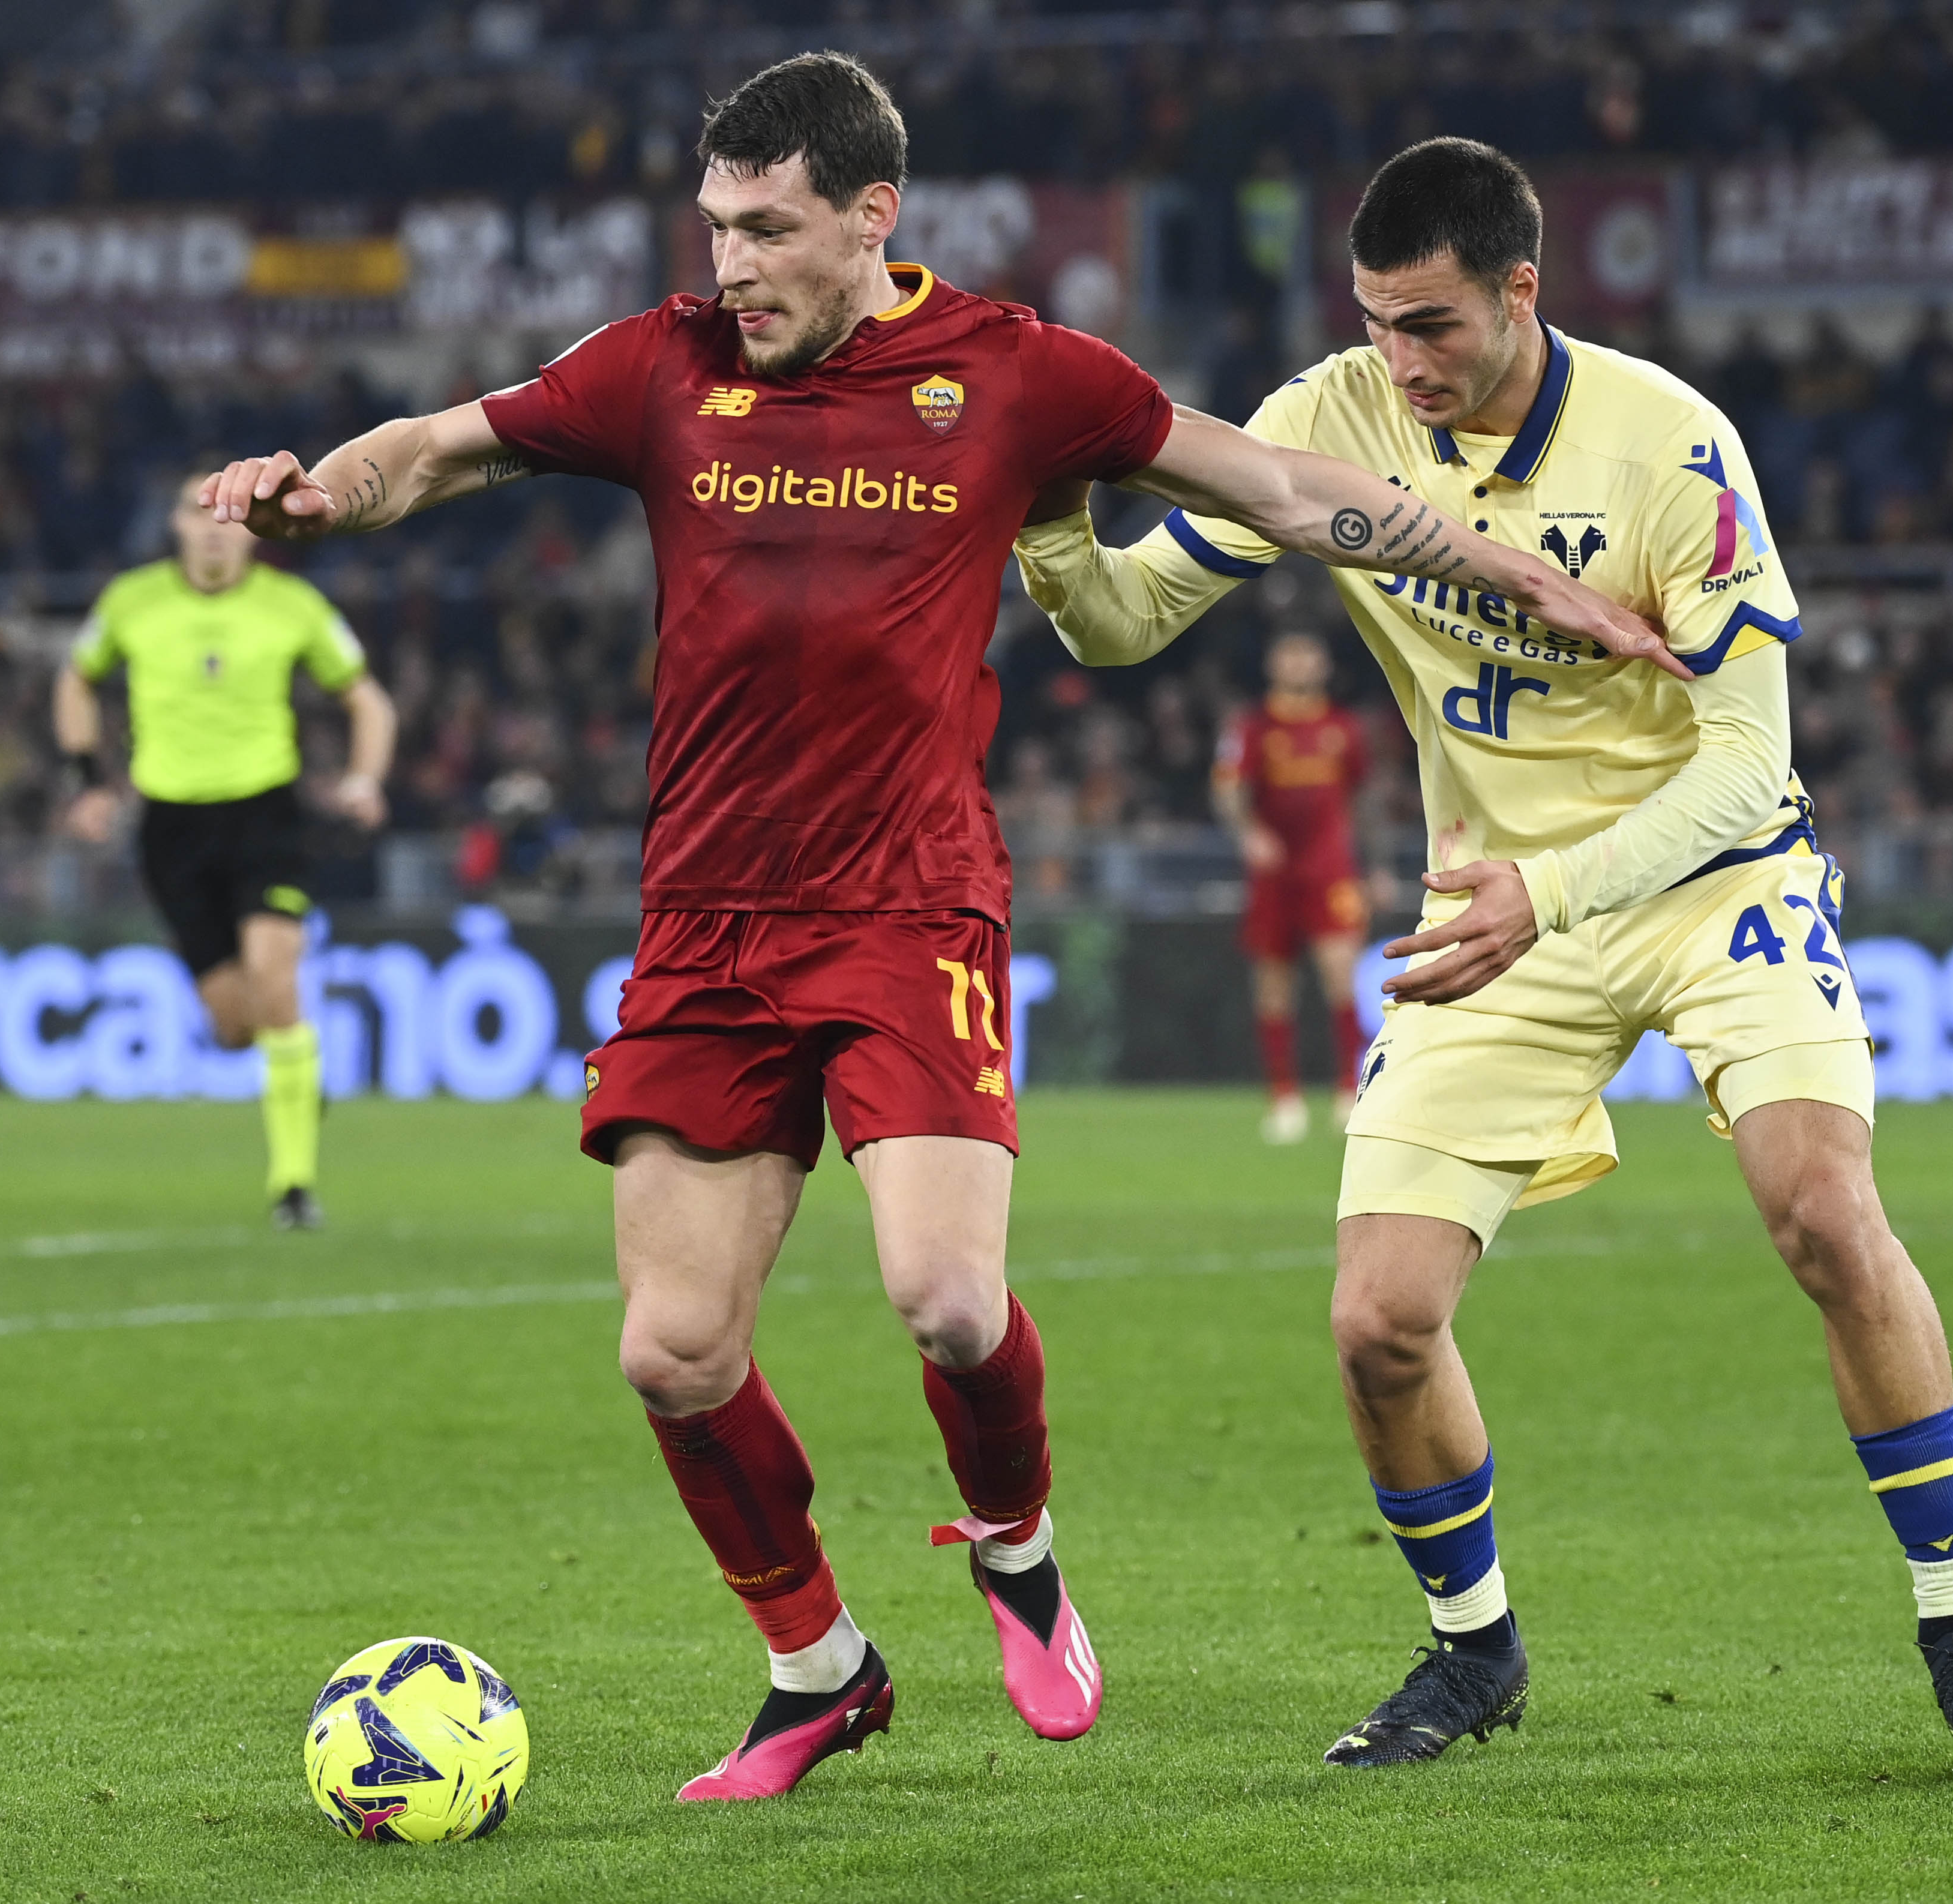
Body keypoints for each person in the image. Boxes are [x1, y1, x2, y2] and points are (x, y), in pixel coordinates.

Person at [202, 59, 1663, 1802]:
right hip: (705, 914)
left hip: (909, 899)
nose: (727, 262)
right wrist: (315, 501)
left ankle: (1015, 1549)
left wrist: (1527, 581)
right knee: (668, 1348)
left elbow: (1273, 486)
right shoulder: (658, 367)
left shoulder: (1009, 371)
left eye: (764, 228)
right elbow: (437, 449)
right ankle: (815, 1667)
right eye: (713, 226)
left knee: (946, 1300)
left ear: (867, 217)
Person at [1013, 137, 1953, 1779]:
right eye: (1373, 322)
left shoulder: (1671, 445)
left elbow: (1743, 762)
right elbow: (1116, 624)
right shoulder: (1328, 421)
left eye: (1430, 325)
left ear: (1524, 288)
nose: (1398, 363)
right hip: (1497, 906)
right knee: (1379, 1318)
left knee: (1821, 1205)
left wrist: (1554, 892)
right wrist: (1055, 527)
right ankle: (1473, 1652)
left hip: (1708, 879)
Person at [57, 473, 397, 1231]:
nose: (212, 528)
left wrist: (365, 779)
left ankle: (294, 1186)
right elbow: (76, 681)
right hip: (171, 828)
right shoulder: (130, 602)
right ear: (173, 526)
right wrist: (84, 779)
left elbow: (367, 698)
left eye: (226, 513)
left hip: (264, 817)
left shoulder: (294, 607)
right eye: (194, 512)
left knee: (278, 987)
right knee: (234, 1025)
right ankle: (296, 1076)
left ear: (251, 528)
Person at [1214, 629, 1370, 1143]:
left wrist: (1376, 865)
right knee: (1274, 986)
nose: (1300, 664)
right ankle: (1284, 1098)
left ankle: (1351, 1089)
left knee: (1340, 974)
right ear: (1274, 664)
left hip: (1330, 868)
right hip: (1274, 870)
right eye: (1291, 654)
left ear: (1323, 664)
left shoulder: (1342, 728)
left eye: (1309, 654)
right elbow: (1227, 787)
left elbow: (1363, 801)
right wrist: (1249, 834)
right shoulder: (1253, 727)